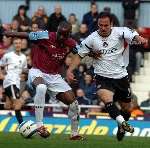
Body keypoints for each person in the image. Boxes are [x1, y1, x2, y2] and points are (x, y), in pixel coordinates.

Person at [68, 12, 147, 141]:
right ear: (97, 24)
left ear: (111, 24)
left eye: (106, 25)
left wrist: (140, 39)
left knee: (127, 109)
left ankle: (121, 125)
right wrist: (70, 70)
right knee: (107, 99)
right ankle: (123, 123)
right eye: (100, 25)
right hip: (102, 76)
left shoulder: (120, 32)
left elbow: (133, 34)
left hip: (121, 76)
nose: (103, 28)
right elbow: (79, 55)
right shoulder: (92, 38)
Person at [3, 21, 83, 140]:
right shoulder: (45, 36)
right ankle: (40, 126)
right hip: (37, 71)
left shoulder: (71, 43)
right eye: (59, 33)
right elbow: (27, 34)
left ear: (69, 34)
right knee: (41, 87)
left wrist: (71, 70)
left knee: (74, 104)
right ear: (57, 30)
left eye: (64, 35)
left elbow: (81, 53)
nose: (60, 37)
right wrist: (11, 33)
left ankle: (74, 134)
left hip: (54, 77)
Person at [0, 38, 27, 124]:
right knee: (18, 104)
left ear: (21, 45)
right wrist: (1, 75)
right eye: (16, 43)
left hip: (17, 83)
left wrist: (23, 76)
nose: (18, 45)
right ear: (13, 45)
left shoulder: (23, 57)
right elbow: (1, 65)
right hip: (10, 82)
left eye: (19, 43)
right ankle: (23, 126)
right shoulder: (8, 55)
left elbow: (24, 70)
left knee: (8, 106)